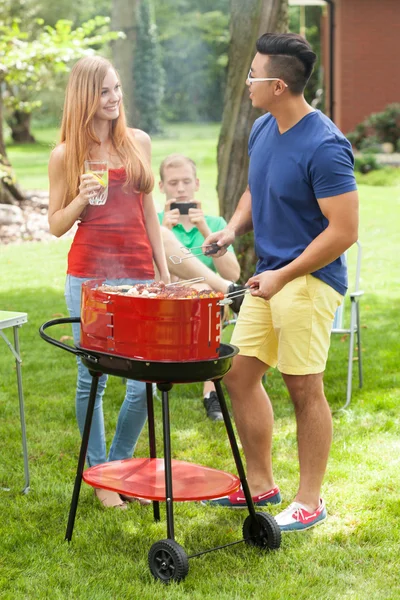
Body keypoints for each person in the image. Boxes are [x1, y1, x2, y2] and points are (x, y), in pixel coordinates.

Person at [202, 33, 359, 531]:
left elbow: (345, 231)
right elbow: (256, 187)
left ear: (277, 84)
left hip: (309, 281)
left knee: (302, 387)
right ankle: (261, 482)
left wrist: (284, 275)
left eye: (252, 75)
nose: (245, 82)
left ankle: (310, 499)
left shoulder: (327, 144)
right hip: (269, 277)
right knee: (239, 375)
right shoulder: (263, 128)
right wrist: (231, 228)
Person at [48, 56, 170, 509]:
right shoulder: (66, 154)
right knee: (92, 377)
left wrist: (162, 267)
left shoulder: (138, 141)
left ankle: (122, 468)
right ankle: (99, 476)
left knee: (142, 380)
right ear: (84, 97)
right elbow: (56, 225)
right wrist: (82, 195)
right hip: (90, 277)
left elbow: (148, 211)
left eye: (117, 89)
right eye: (104, 92)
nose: (115, 98)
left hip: (138, 273)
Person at [157, 154, 244, 421]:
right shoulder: (155, 222)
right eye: (173, 183)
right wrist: (163, 229)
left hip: (207, 306)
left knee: (209, 291)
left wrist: (204, 228)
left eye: (185, 182)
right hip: (166, 301)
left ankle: (210, 392)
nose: (180, 189)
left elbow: (234, 273)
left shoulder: (215, 224)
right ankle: (210, 388)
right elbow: (147, 274)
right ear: (161, 187)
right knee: (210, 289)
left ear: (196, 183)